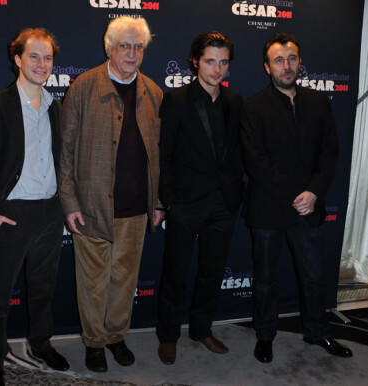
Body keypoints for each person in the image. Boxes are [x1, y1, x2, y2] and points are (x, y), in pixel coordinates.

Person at [0, 28, 69, 386]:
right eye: (34, 56)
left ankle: (40, 344)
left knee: (43, 288)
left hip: (50, 213)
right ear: (17, 59)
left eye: (48, 57)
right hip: (10, 214)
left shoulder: (56, 107)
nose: (41, 64)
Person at [58, 16, 164, 372]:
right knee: (92, 283)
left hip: (136, 207)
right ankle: (94, 342)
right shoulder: (84, 87)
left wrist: (158, 202)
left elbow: (160, 154)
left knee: (124, 279)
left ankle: (116, 336)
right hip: (91, 207)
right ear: (109, 47)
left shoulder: (153, 92)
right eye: (125, 46)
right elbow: (66, 150)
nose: (132, 53)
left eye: (139, 47)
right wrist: (69, 202)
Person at [240, 32, 352, 364]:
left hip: (309, 208)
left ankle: (318, 332)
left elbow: (330, 153)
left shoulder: (319, 102)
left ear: (300, 62)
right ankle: (264, 335)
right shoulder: (253, 107)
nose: (286, 66)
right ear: (267, 66)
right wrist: (295, 194)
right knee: (265, 280)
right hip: (268, 208)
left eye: (292, 59)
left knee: (314, 276)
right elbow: (255, 161)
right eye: (279, 60)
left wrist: (314, 193)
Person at [156, 31, 245, 365]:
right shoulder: (176, 100)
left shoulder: (236, 101)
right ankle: (168, 335)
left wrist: (236, 195)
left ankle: (201, 329)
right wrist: (167, 202)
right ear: (196, 61)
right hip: (186, 203)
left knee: (212, 271)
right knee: (175, 272)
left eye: (223, 62)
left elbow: (237, 152)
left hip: (224, 203)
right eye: (210, 61)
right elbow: (164, 156)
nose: (217, 69)